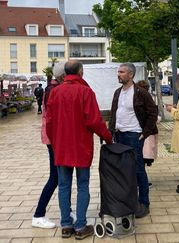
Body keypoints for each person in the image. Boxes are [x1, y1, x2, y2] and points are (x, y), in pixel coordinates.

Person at [46, 60, 112, 240]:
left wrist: (55, 142)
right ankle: (81, 225)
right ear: (81, 72)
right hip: (81, 146)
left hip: (61, 147)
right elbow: (94, 121)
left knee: (63, 186)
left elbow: (49, 122)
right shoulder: (85, 92)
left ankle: (66, 224)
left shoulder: (55, 93)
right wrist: (108, 137)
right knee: (83, 185)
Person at [109, 64, 158, 218]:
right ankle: (128, 201)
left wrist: (145, 132)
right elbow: (114, 113)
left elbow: (153, 112)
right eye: (118, 72)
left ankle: (144, 203)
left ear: (130, 74)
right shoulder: (117, 92)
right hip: (119, 135)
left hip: (134, 136)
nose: (118, 74)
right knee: (124, 171)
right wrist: (111, 132)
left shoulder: (140, 93)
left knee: (138, 170)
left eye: (121, 72)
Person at [32, 62, 73, 229]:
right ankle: (39, 214)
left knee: (62, 177)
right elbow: (53, 118)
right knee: (56, 177)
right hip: (54, 140)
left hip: (54, 139)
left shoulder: (52, 88)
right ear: (64, 76)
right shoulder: (53, 91)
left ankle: (67, 210)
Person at [137, 80, 159, 167]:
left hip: (144, 131)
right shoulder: (149, 98)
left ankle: (142, 178)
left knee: (141, 155)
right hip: (150, 131)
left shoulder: (137, 99)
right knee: (146, 154)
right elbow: (154, 115)